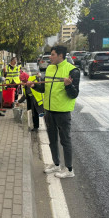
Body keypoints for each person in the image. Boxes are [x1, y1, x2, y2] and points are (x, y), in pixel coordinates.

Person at [26, 45, 80, 178]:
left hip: (62, 111)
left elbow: (74, 94)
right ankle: (56, 165)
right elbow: (45, 88)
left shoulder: (72, 70)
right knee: (52, 139)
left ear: (61, 56)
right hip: (49, 110)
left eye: (53, 54)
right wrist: (34, 85)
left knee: (65, 140)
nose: (50, 57)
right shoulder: (50, 68)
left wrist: (68, 86)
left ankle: (69, 169)